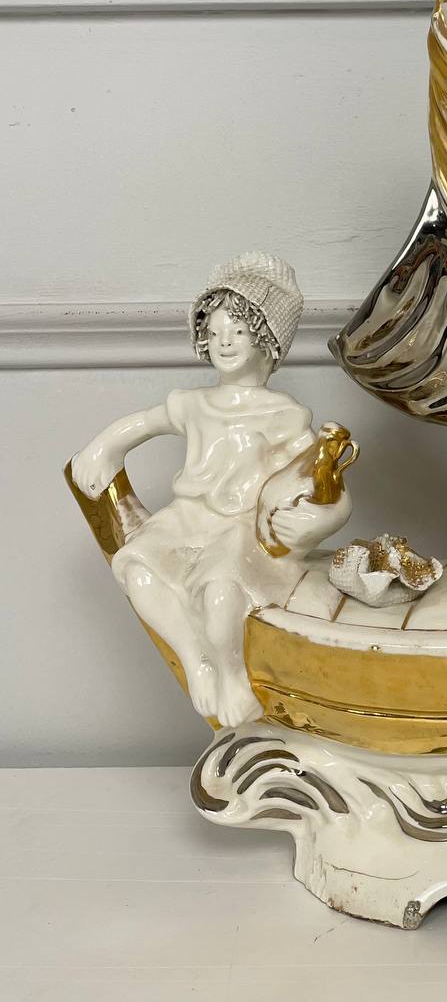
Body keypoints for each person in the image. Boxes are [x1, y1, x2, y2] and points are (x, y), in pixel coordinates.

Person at [71, 253, 350, 727]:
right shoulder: (195, 404)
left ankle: (231, 674)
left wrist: (323, 518)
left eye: (238, 331)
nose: (225, 341)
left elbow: (325, 483)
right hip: (185, 520)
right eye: (216, 332)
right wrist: (105, 447)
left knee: (221, 593)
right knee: (137, 572)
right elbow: (145, 423)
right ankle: (197, 660)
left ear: (265, 340)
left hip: (239, 530)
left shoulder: (283, 415)